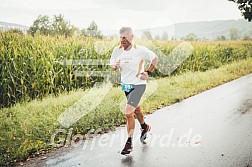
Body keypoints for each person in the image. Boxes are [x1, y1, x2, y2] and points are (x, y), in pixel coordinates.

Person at [110, 27, 158, 155]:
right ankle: (144, 127)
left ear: (131, 37)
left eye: (124, 37)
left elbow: (155, 58)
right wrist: (115, 66)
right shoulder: (117, 50)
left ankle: (129, 143)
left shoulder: (140, 50)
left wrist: (148, 72)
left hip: (138, 85)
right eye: (120, 37)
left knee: (128, 112)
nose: (122, 40)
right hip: (126, 85)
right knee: (136, 110)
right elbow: (112, 63)